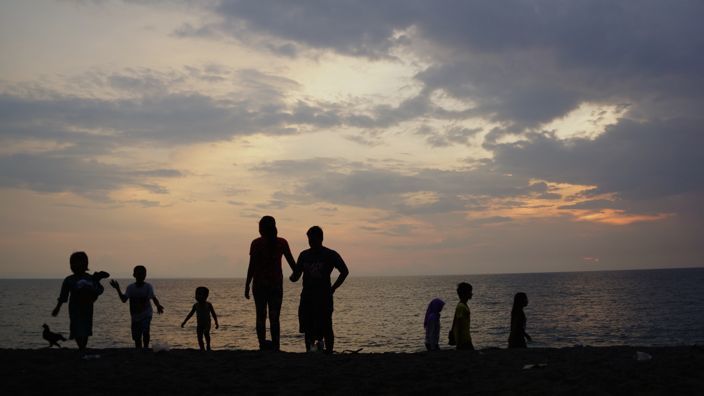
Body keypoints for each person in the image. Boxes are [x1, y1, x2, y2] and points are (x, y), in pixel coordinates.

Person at [290, 226, 349, 354]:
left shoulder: (330, 254)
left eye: (313, 239)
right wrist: (292, 275)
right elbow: (295, 276)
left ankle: (329, 351)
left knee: (327, 326)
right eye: (309, 239)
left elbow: (344, 271)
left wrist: (333, 288)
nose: (311, 242)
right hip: (307, 296)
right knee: (308, 327)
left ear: (321, 239)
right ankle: (309, 351)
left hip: (324, 296)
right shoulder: (304, 255)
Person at [244, 216, 296, 351]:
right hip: (276, 285)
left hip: (259, 285)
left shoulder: (256, 243)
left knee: (260, 316)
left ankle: (262, 345)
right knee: (274, 317)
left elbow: (252, 266)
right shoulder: (282, 242)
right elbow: (293, 264)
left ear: (261, 229)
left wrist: (247, 285)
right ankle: (276, 346)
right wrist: (296, 275)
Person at [51, 251, 109, 351]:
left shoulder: (90, 278)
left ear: (85, 264)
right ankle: (81, 347)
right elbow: (63, 296)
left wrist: (97, 279)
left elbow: (100, 290)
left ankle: (83, 347)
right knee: (76, 327)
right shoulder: (69, 279)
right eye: (72, 263)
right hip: (74, 308)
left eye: (77, 263)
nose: (74, 265)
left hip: (87, 306)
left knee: (86, 328)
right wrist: (57, 308)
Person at [109, 265, 164, 349]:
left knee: (146, 331)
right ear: (134, 275)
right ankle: (139, 350)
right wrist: (118, 289)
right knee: (137, 337)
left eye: (143, 274)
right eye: (138, 274)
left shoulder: (148, 287)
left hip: (146, 314)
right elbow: (124, 299)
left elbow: (153, 297)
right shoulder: (131, 288)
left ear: (145, 275)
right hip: (135, 316)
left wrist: (158, 305)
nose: (141, 275)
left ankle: (146, 348)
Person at [181, 286, 219, 351]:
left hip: (207, 323)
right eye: (197, 294)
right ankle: (202, 348)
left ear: (206, 296)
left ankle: (208, 346)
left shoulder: (208, 304)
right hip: (199, 325)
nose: (198, 296)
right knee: (199, 337)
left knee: (206, 332)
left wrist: (216, 322)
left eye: (200, 294)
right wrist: (184, 321)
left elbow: (213, 314)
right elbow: (190, 314)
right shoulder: (196, 305)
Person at [451, 282, 474, 350]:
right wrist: (459, 342)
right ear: (465, 294)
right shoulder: (461, 307)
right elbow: (458, 324)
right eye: (470, 292)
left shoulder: (463, 305)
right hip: (463, 340)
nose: (471, 294)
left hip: (466, 338)